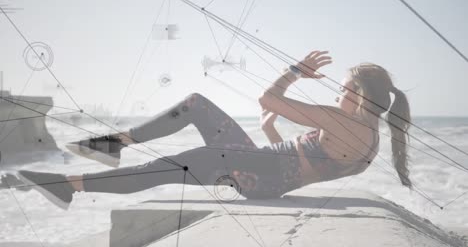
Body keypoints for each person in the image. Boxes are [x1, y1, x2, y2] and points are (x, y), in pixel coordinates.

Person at [17, 50, 412, 210]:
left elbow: (268, 99)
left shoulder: (343, 119)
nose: (338, 93)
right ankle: (112, 145)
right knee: (196, 103)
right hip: (262, 171)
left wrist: (293, 73)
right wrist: (270, 132)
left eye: (344, 89)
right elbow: (305, 166)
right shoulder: (372, 138)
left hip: (256, 171)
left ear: (361, 95)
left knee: (171, 165)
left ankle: (71, 183)